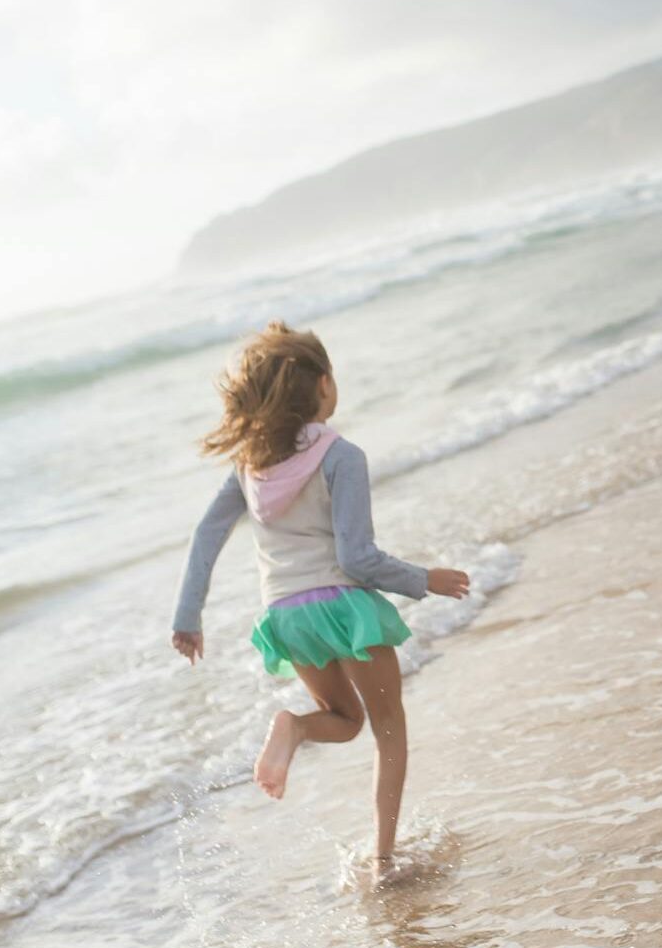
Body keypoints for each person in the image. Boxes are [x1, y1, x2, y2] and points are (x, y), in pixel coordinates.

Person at [170, 321, 470, 885]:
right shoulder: (342, 455)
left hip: (286, 618)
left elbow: (206, 535)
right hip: (344, 608)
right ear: (325, 386)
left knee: (343, 720)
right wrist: (421, 578)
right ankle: (383, 859)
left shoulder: (249, 468)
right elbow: (357, 559)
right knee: (388, 729)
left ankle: (293, 727)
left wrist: (188, 616)